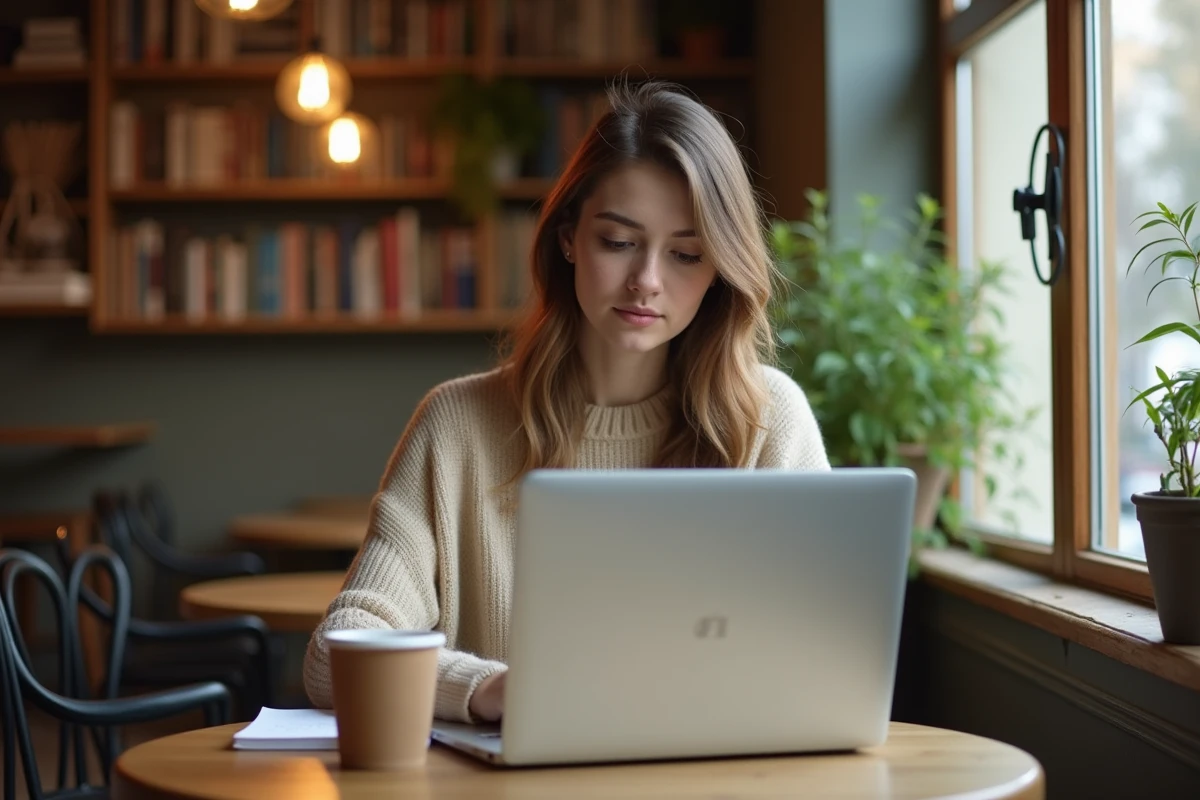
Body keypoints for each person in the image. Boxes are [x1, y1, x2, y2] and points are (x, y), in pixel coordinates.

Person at [303, 80, 831, 724]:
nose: (647, 281)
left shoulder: (768, 421)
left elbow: (820, 658)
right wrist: (489, 690)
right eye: (618, 241)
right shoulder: (457, 424)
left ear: (719, 270)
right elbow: (335, 655)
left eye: (687, 254)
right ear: (567, 239)